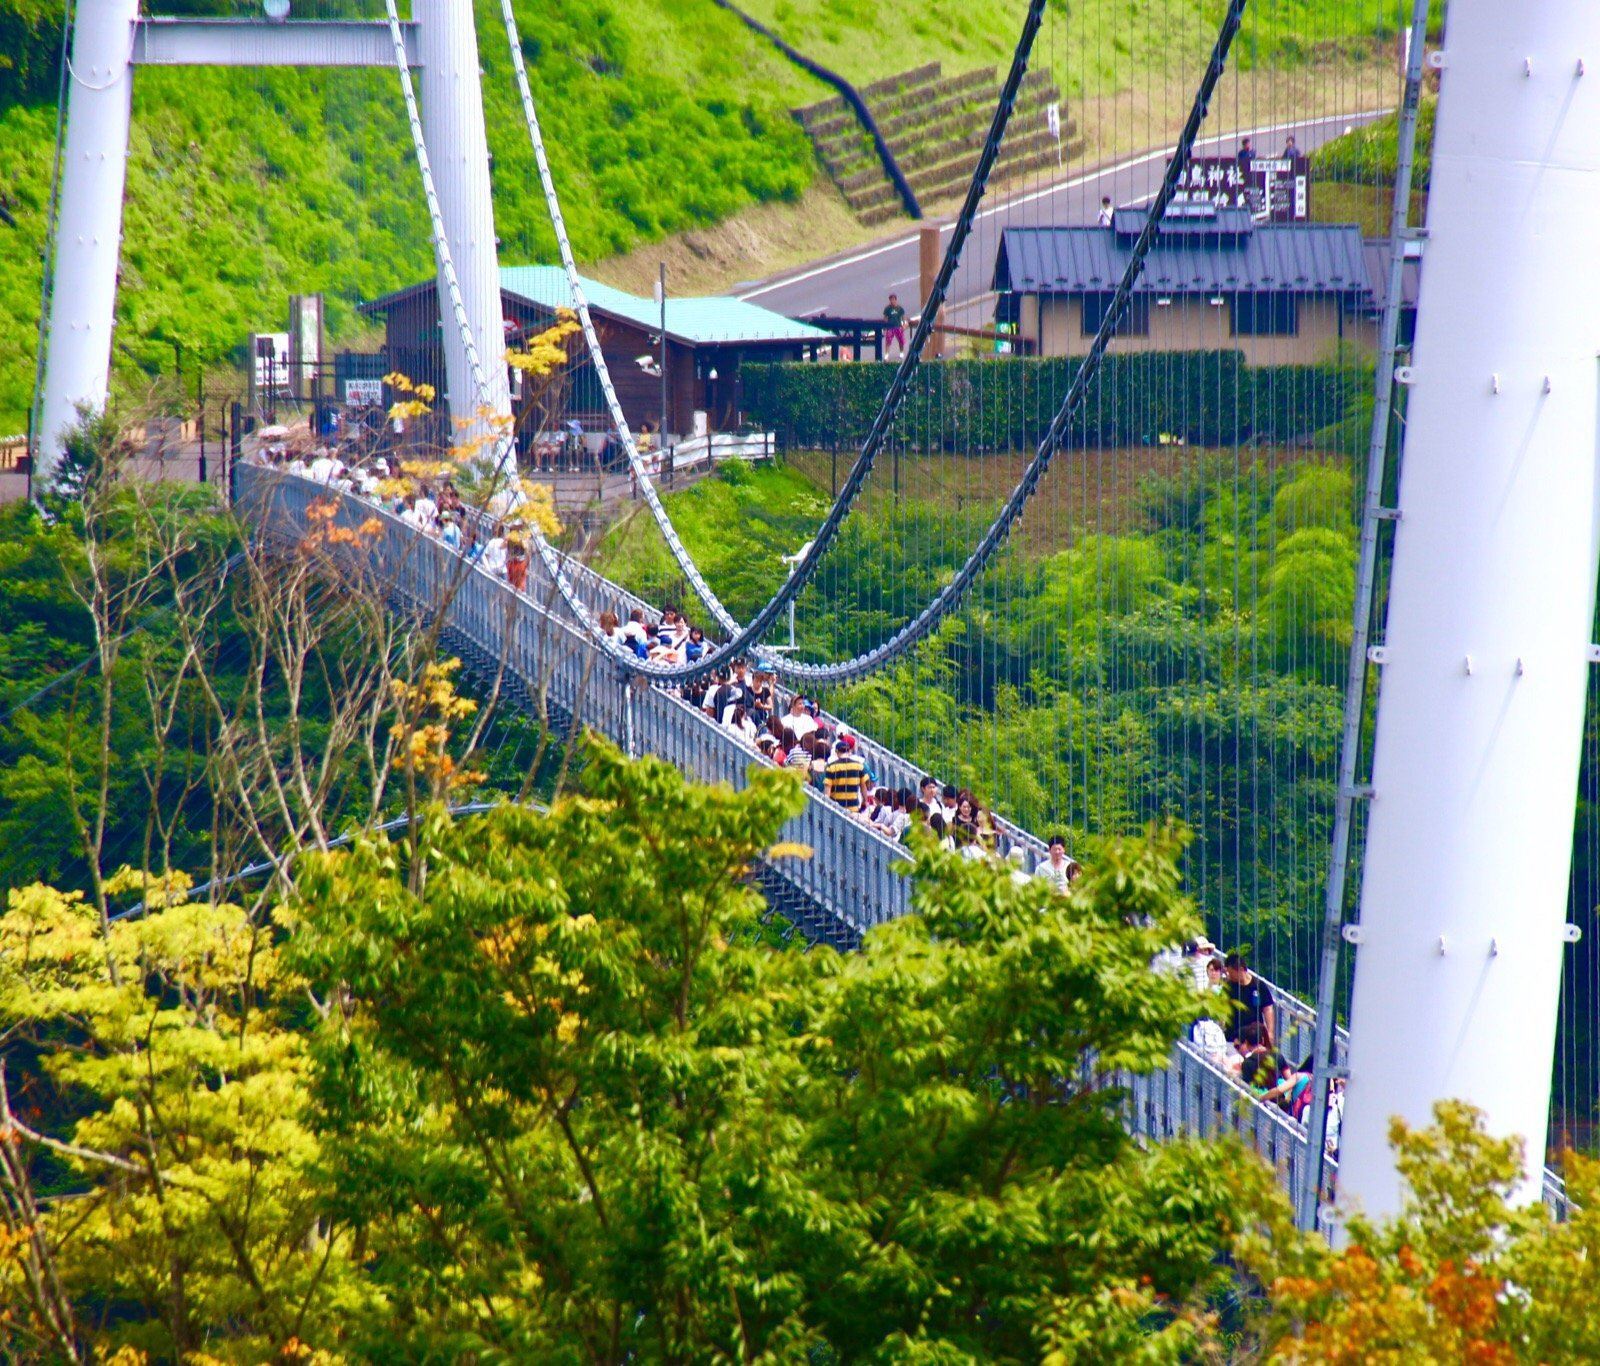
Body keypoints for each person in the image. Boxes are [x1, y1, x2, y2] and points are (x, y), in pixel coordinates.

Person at [1224, 952, 1277, 1048]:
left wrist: (1270, 1032)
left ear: (1240, 970)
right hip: (1234, 1036)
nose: (1229, 976)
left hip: (1255, 1036)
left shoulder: (1258, 985)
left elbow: (1268, 1009)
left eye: (1231, 973)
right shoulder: (1228, 987)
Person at [882, 293, 907, 358]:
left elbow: (903, 317)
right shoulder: (887, 309)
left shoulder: (900, 308)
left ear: (896, 300)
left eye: (893, 299)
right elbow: (885, 318)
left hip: (898, 326)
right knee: (888, 341)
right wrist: (884, 328)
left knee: (901, 340)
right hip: (890, 327)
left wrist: (904, 325)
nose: (892, 301)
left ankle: (901, 352)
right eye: (891, 300)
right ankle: (886, 354)